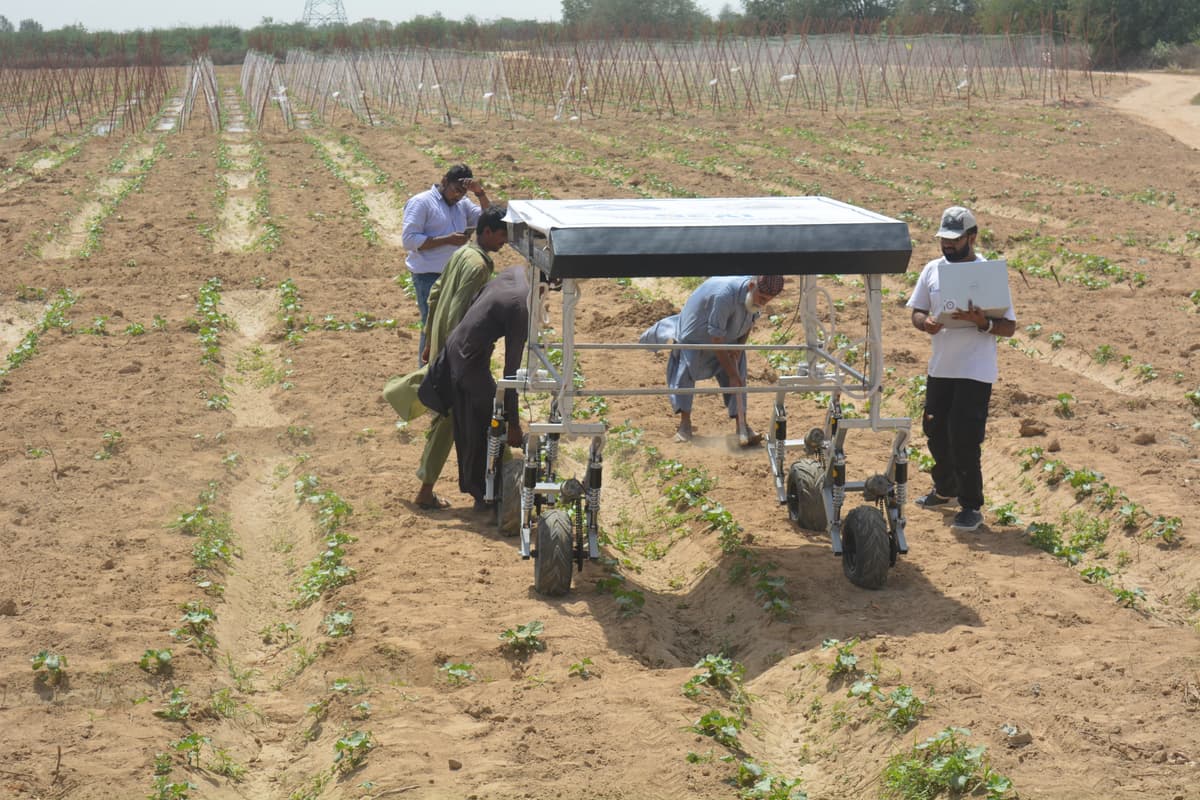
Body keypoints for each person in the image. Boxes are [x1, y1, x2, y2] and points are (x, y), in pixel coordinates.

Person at [384, 206, 509, 511]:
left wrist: (430, 339)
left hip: (443, 342)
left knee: (449, 414)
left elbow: (436, 293)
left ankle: (484, 486)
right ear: (488, 231)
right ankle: (433, 490)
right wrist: (458, 360)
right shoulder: (479, 267)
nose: (505, 242)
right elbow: (460, 312)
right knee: (457, 417)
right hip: (459, 353)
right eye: (503, 235)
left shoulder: (462, 252)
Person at [906, 206, 1016, 532]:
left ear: (972, 237)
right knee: (935, 430)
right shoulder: (932, 270)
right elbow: (916, 311)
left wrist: (984, 324)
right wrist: (923, 323)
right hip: (941, 367)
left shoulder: (989, 274)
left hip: (975, 370)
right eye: (944, 240)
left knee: (965, 437)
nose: (948, 246)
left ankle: (971, 506)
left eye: (955, 240)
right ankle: (945, 488)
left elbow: (1008, 327)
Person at [420, 265, 531, 511]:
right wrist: (514, 424)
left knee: (477, 420)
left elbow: (474, 300)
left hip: (458, 349)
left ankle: (486, 491)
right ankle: (490, 495)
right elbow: (511, 372)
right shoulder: (522, 307)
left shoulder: (514, 274)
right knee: (493, 420)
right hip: (467, 360)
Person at [641, 274, 785, 447]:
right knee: (687, 371)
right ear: (751, 286)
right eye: (761, 298)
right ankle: (684, 426)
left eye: (767, 301)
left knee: (739, 373)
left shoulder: (754, 298)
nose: (762, 303)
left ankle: (742, 426)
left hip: (727, 334)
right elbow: (716, 337)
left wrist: (737, 351)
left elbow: (749, 322)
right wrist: (731, 373)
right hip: (696, 334)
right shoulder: (724, 296)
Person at [401, 164, 491, 363]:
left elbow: (487, 220)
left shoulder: (462, 204)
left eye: (463, 192)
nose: (458, 196)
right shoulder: (422, 202)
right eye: (455, 190)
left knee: (454, 325)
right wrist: (447, 240)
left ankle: (443, 372)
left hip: (455, 275)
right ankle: (424, 376)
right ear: (444, 181)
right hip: (429, 276)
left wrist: (480, 193)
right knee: (432, 326)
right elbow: (409, 240)